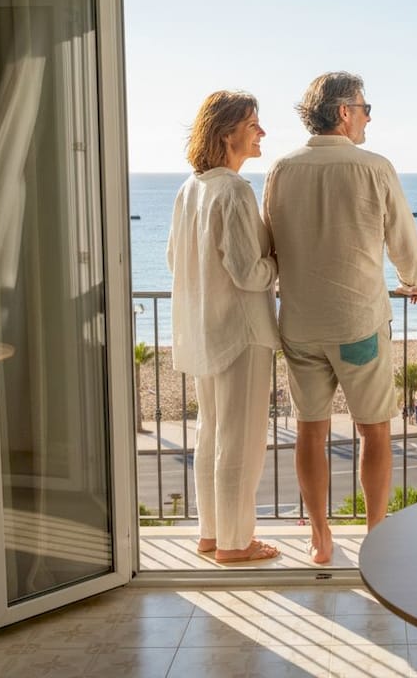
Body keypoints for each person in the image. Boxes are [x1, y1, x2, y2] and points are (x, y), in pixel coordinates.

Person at [264, 72, 417, 564]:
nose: (369, 116)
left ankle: (321, 538)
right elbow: (402, 237)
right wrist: (415, 279)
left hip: (299, 326)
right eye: (364, 107)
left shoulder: (281, 169)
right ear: (343, 113)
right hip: (357, 323)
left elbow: (268, 241)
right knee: (374, 429)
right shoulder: (374, 167)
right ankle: (375, 535)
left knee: (310, 430)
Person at [166, 90, 280, 563]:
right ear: (228, 131)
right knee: (242, 442)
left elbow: (175, 258)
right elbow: (247, 271)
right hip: (241, 334)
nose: (262, 133)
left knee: (211, 434)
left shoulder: (190, 188)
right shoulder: (234, 190)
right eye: (254, 124)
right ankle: (236, 543)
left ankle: (211, 534)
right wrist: (277, 261)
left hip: (202, 331)